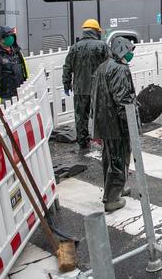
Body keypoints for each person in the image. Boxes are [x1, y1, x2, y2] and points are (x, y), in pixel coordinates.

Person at [90, 37, 137, 212]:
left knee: (109, 158)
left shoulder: (103, 67)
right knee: (119, 158)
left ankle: (116, 188)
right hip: (115, 123)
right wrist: (130, 124)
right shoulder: (119, 69)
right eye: (129, 50)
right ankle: (111, 199)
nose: (131, 54)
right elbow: (123, 99)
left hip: (104, 122)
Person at [62, 19, 110, 149]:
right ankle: (102, 139)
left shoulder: (74, 47)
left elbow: (67, 67)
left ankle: (83, 141)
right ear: (95, 31)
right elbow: (110, 66)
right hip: (98, 88)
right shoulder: (102, 46)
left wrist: (66, 83)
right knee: (100, 114)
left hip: (80, 88)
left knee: (81, 116)